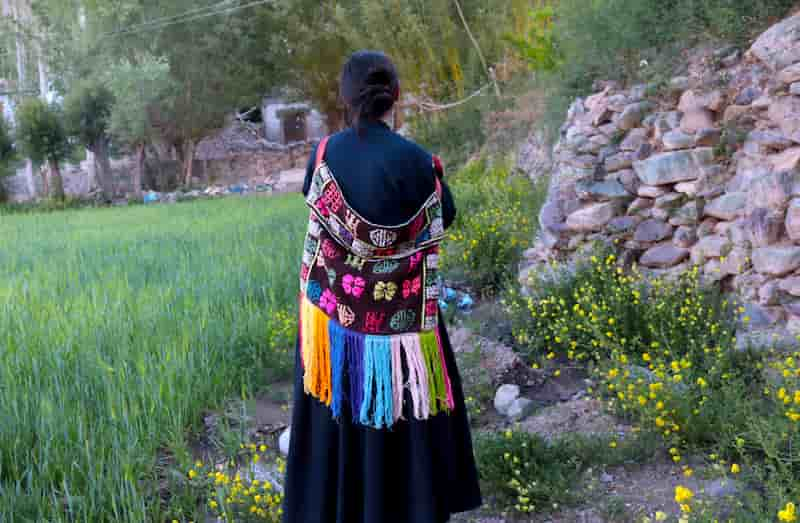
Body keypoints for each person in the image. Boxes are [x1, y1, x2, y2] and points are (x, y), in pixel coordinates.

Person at [282, 50, 482, 523]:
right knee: (407, 420)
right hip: (404, 330)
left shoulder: (325, 154)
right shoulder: (420, 163)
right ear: (396, 96)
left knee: (337, 418)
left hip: (335, 326)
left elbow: (313, 198)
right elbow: (444, 216)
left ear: (346, 98)